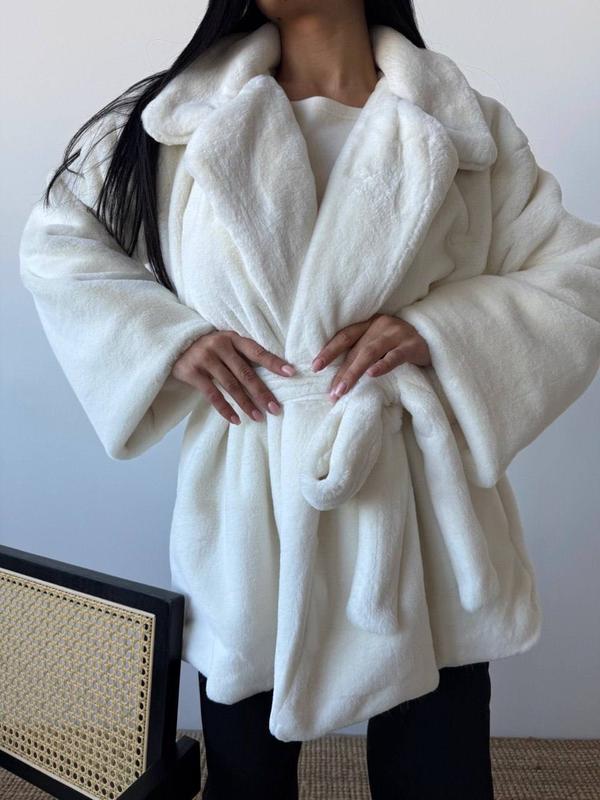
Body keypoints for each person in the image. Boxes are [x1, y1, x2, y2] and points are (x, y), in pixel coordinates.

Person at [18, 1, 600, 798]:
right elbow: (57, 243)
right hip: (252, 489)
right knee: (246, 777)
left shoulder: (464, 126)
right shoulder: (174, 119)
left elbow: (578, 281)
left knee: (439, 772)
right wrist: (166, 339)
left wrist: (443, 331)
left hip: (415, 498)